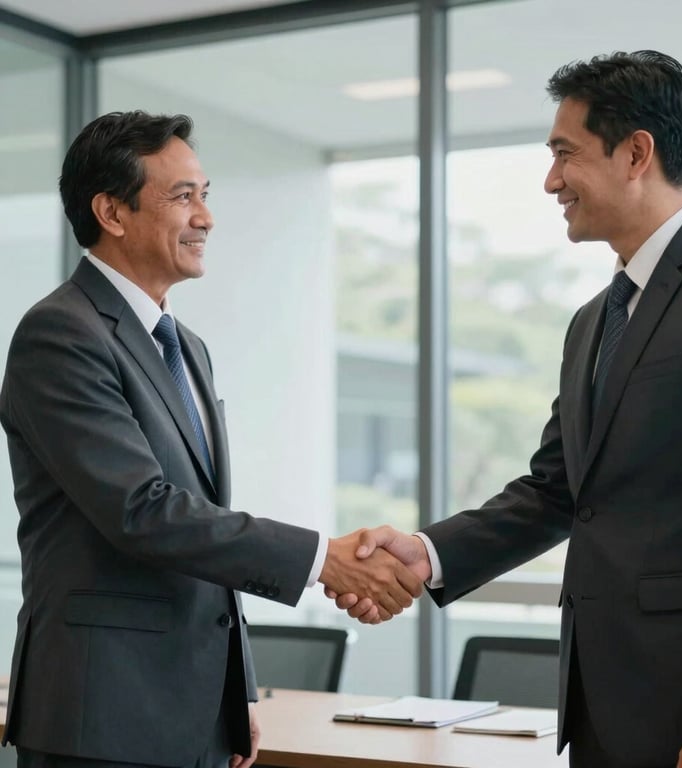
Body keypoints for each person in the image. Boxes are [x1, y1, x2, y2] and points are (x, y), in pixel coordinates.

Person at [332, 50, 682, 767]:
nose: (550, 181)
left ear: (636, 153)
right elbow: (558, 492)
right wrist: (428, 554)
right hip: (601, 707)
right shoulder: (594, 320)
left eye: (565, 155)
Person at [0, 110, 422, 768]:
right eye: (183, 197)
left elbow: (206, 524)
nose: (207, 217)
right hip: (101, 716)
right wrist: (321, 560)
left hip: (192, 710)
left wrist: (235, 694)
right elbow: (144, 511)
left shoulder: (185, 347)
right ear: (111, 212)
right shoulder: (60, 334)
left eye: (206, 195)